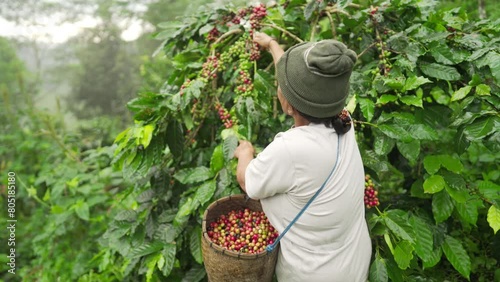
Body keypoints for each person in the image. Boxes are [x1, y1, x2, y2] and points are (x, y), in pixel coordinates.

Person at [234, 32, 372, 282]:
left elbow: (247, 182)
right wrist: (273, 45)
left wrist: (245, 153)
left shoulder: (291, 149)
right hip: (352, 261)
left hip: (315, 274)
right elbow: (302, 90)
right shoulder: (343, 120)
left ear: (288, 105)